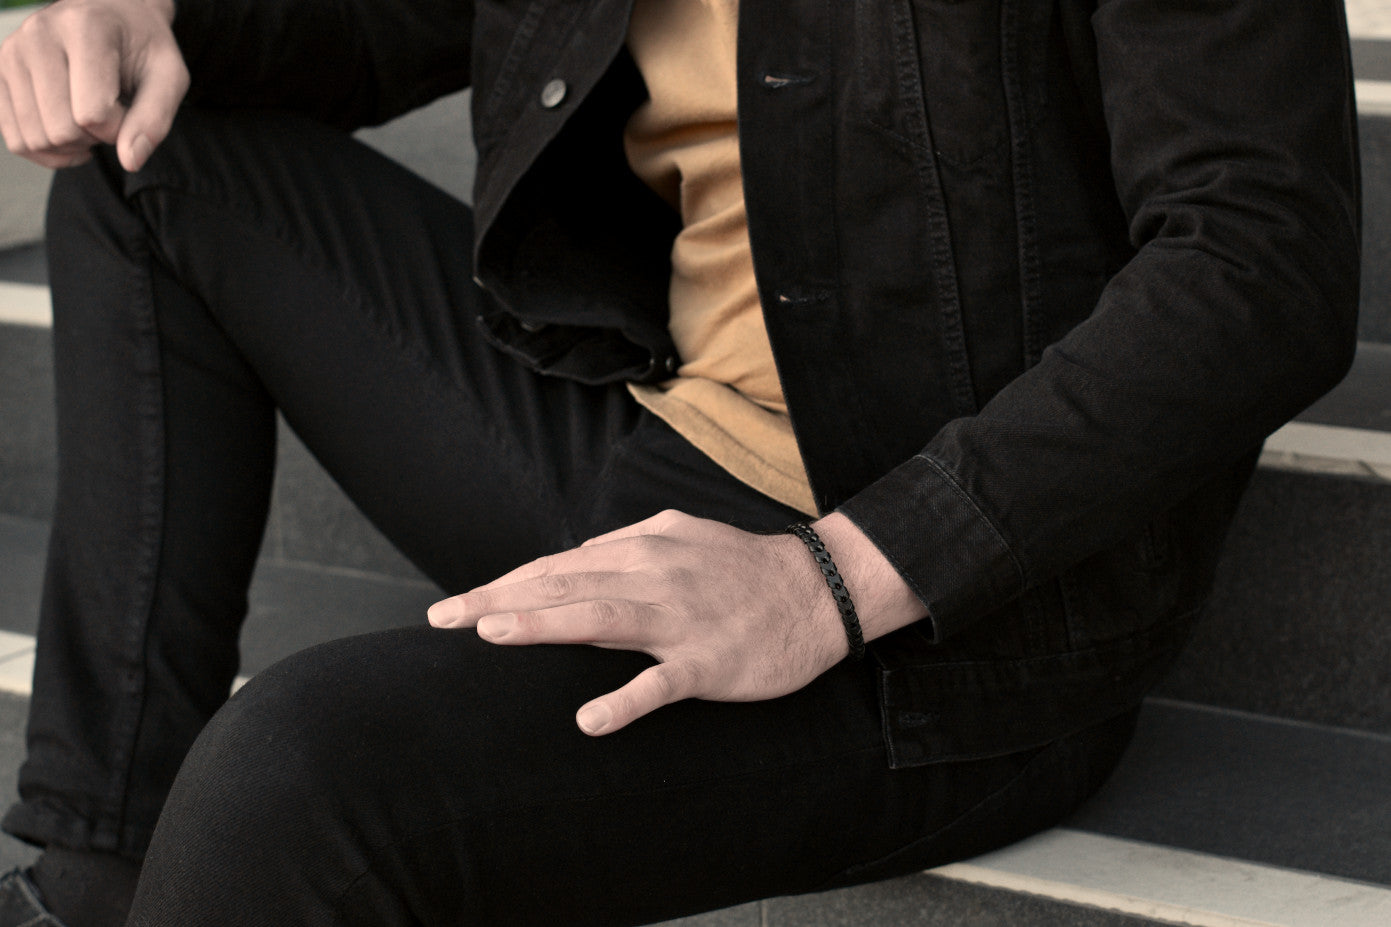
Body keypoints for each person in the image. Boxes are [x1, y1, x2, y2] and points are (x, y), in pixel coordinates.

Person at [0, 0, 1359, 923]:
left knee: (290, 775)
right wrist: (159, 20)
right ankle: (99, 880)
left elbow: (1259, 261)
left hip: (933, 613)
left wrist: (831, 578)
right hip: (649, 442)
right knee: (146, 168)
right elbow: (389, 20)